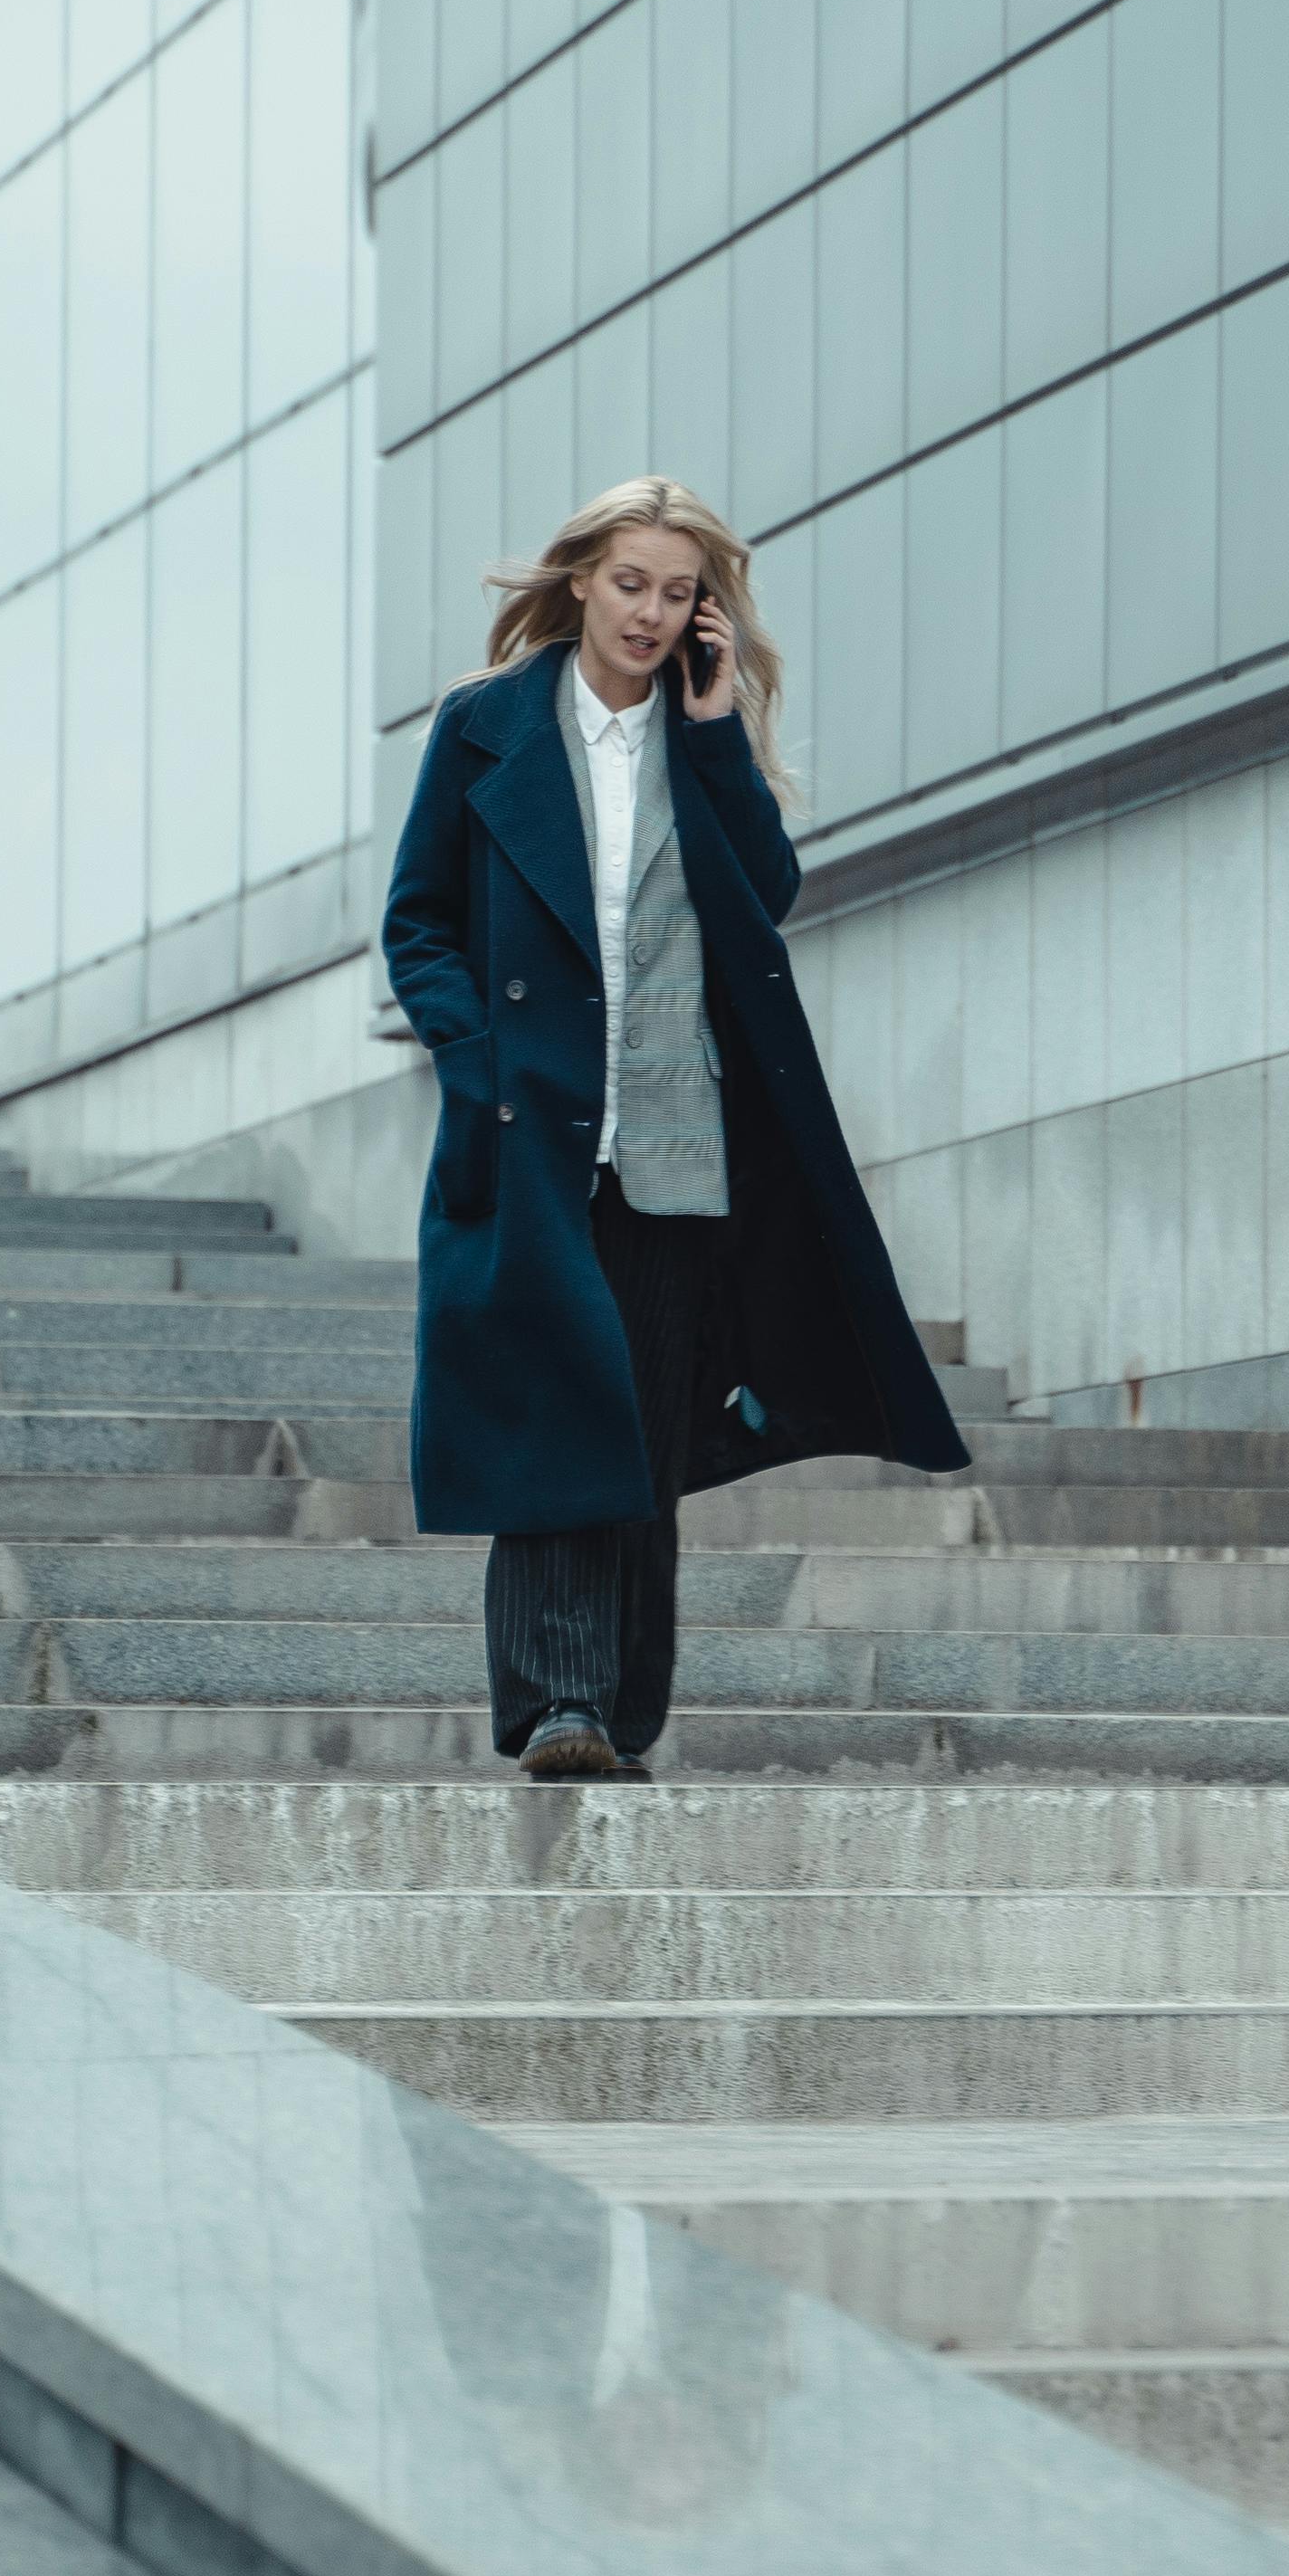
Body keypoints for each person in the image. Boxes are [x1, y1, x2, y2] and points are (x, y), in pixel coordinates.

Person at [379, 476, 966, 1779]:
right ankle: (558, 1707)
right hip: (528, 1135)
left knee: (639, 1441)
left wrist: (712, 736)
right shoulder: (483, 728)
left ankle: (618, 1711)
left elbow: (764, 899)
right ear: (581, 577)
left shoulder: (706, 741)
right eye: (632, 581)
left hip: (675, 1147)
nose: (652, 612)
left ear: (708, 612)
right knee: (553, 1427)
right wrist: (475, 1059)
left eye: (680, 592)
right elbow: (415, 920)